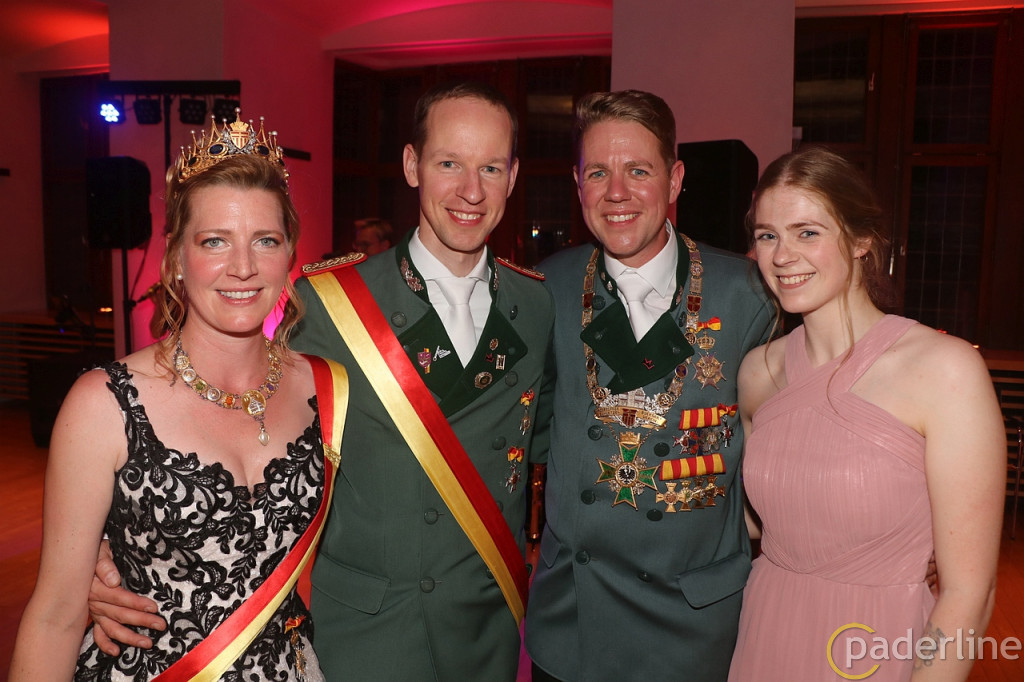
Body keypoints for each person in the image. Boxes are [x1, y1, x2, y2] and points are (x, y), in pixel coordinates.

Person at [88, 81, 554, 681]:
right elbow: (228, 419)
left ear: (512, 177)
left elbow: (561, 446)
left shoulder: (535, 306)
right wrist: (106, 548)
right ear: (411, 165)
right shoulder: (330, 304)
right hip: (366, 638)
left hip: (485, 634)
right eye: (449, 163)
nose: (471, 190)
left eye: (490, 167)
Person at [10, 113, 339, 680]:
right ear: (177, 258)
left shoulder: (327, 389)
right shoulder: (103, 404)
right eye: (214, 241)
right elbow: (54, 618)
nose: (243, 267)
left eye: (265, 240)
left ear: (290, 254)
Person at [728, 146, 1003, 680]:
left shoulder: (944, 370)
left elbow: (970, 594)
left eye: (807, 232)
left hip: (877, 646)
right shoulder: (758, 372)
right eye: (767, 235)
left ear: (861, 241)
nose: (782, 255)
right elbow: (764, 516)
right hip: (768, 634)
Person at [525, 90, 773, 681]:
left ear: (675, 179)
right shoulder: (545, 288)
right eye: (598, 173)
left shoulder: (748, 293)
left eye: (638, 170)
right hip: (573, 621)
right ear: (578, 185)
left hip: (692, 622)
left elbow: (788, 443)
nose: (617, 192)